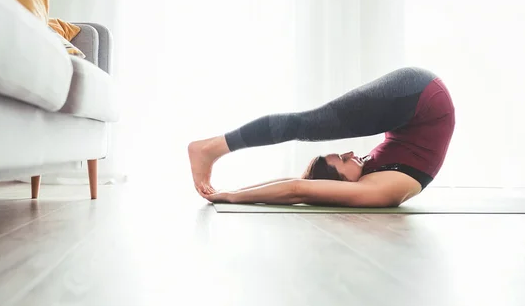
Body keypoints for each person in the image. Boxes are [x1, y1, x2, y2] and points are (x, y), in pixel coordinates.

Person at [188, 67, 455, 207]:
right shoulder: (377, 192)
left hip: (417, 98)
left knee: (306, 124)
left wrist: (234, 192)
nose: (351, 153)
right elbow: (299, 189)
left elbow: (298, 185)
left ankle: (211, 149)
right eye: (343, 159)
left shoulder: (368, 182)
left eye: (343, 157)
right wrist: (231, 196)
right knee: (304, 125)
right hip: (422, 99)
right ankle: (210, 149)